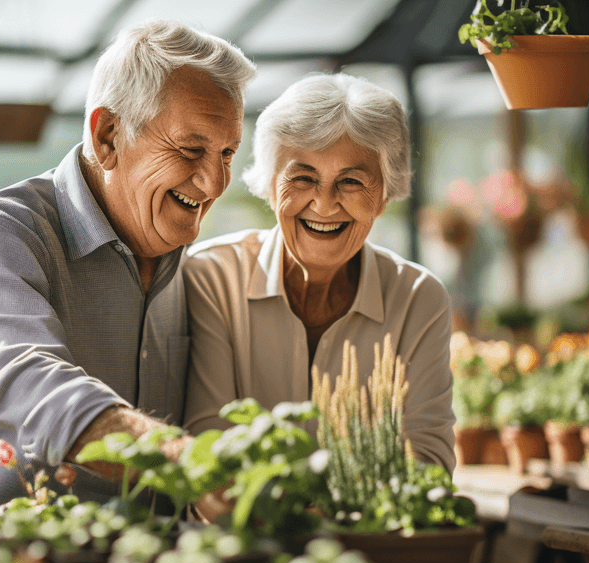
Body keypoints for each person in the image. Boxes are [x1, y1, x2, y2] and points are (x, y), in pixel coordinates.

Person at [0, 20, 255, 517]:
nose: (214, 181)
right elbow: (28, 378)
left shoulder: (192, 269)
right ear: (108, 135)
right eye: (191, 149)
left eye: (227, 154)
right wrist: (184, 459)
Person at [183, 74, 456, 488]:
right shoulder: (211, 277)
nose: (325, 203)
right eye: (303, 177)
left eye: (351, 181)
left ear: (384, 195)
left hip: (368, 547)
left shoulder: (418, 299)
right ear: (271, 188)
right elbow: (211, 444)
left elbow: (429, 464)